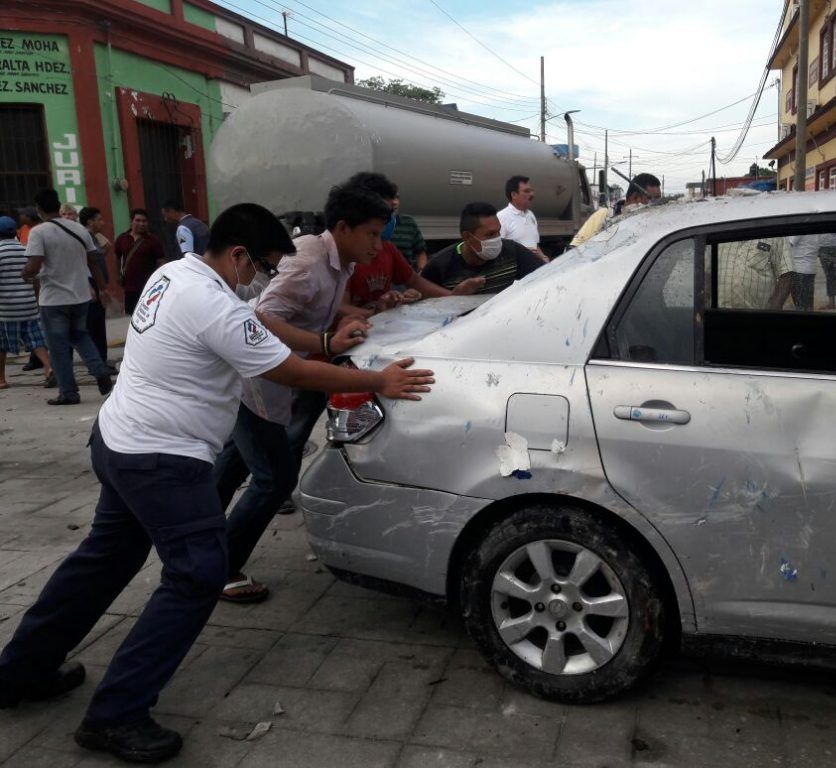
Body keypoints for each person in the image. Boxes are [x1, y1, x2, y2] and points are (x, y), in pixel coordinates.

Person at [0, 203, 433, 763]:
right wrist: (379, 380)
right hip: (161, 459)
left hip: (119, 440)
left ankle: (20, 672)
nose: (263, 281)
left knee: (103, 559)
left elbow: (260, 328)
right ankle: (116, 714)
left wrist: (326, 340)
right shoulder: (213, 303)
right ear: (238, 255)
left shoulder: (174, 273)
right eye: (263, 268)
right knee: (198, 573)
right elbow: (288, 370)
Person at [213, 185, 403, 604]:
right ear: (343, 227)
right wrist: (325, 343)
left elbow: (313, 310)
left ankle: (190, 542)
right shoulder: (308, 260)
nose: (378, 244)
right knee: (274, 478)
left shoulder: (340, 261)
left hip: (273, 378)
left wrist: (356, 318)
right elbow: (263, 318)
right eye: (372, 234)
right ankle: (219, 568)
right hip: (258, 379)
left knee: (234, 464)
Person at [21, 189, 112, 406]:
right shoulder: (78, 228)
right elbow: (93, 261)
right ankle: (99, 369)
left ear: (39, 209)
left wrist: (25, 273)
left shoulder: (39, 232)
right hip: (80, 296)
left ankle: (69, 392)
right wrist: (102, 288)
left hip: (54, 299)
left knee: (58, 347)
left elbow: (34, 265)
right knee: (80, 335)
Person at [341, 172, 482, 312]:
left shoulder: (388, 248)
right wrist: (376, 313)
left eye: (390, 214)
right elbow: (339, 309)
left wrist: (453, 297)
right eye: (384, 214)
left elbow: (415, 281)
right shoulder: (345, 257)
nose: (389, 220)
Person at [422, 202, 546, 294]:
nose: (497, 239)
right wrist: (455, 296)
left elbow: (544, 275)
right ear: (467, 237)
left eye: (498, 231)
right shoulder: (440, 267)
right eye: (490, 234)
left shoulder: (512, 252)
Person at [0, 216, 52, 388]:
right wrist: (36, 300)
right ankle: (49, 368)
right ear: (15, 232)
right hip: (28, 304)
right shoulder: (26, 250)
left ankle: (1, 379)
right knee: (36, 340)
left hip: (5, 308)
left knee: (1, 344)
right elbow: (35, 279)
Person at [717, 237, 795, 310]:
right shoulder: (721, 234)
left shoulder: (775, 236)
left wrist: (774, 311)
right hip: (719, 312)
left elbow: (787, 273)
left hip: (757, 314)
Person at [79, 207, 112, 368]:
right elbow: (85, 264)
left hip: (97, 284)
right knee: (94, 326)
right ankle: (98, 362)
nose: (102, 222)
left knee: (98, 325)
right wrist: (93, 287)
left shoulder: (93, 237)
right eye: (98, 219)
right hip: (91, 285)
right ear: (90, 221)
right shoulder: (85, 238)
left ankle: (101, 360)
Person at [115, 209, 165, 315]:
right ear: (131, 221)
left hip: (149, 286)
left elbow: (161, 261)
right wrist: (118, 275)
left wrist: (160, 280)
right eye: (138, 220)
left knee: (148, 314)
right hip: (130, 286)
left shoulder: (153, 240)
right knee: (131, 314)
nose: (141, 224)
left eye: (144, 221)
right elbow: (118, 257)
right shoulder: (122, 238)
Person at [17, 207, 45, 373]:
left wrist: (27, 274)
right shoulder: (23, 230)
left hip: (38, 278)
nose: (19, 216)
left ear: (28, 216)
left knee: (37, 324)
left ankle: (39, 359)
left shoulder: (38, 231)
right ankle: (36, 358)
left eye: (22, 214)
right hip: (33, 279)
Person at [497, 175, 546, 261]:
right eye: (527, 191)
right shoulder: (502, 217)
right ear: (514, 195)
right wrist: (523, 252)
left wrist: (544, 257)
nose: (532, 194)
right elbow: (498, 249)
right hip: (517, 268)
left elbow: (535, 245)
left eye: (531, 191)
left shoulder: (530, 215)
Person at [388, 187, 430, 272]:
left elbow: (420, 252)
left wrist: (421, 271)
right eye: (390, 198)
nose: (395, 202)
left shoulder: (408, 222)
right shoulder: (373, 224)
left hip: (404, 276)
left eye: (397, 198)